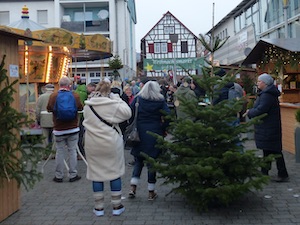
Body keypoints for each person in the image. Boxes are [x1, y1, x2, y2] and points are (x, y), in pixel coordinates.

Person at [83, 78, 132, 216]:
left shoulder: (88, 105)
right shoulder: (112, 105)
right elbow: (127, 113)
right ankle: (117, 206)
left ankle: (99, 208)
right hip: (110, 142)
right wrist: (117, 99)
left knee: (96, 174)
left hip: (92, 143)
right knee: (114, 173)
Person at [128, 81, 170, 201]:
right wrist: (163, 128)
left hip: (139, 134)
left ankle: (132, 187)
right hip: (154, 133)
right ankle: (151, 191)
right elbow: (168, 116)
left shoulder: (137, 100)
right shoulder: (160, 101)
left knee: (138, 161)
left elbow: (130, 115)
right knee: (152, 163)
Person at [244, 73, 289, 182]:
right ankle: (265, 171)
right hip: (268, 127)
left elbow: (261, 110)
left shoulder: (267, 95)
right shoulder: (266, 94)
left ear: (265, 83)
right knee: (268, 150)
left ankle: (282, 173)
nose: (258, 83)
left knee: (275, 151)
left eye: (259, 81)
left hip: (269, 128)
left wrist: (250, 112)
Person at [47, 76, 83, 183]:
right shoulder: (75, 95)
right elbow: (80, 107)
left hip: (58, 128)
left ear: (59, 85)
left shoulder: (53, 96)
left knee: (60, 151)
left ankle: (59, 175)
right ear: (69, 85)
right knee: (72, 151)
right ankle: (73, 174)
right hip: (72, 128)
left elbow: (49, 108)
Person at [75, 82, 96, 157]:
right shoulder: (83, 94)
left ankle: (78, 151)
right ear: (89, 87)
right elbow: (83, 106)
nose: (93, 92)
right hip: (80, 117)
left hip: (75, 116)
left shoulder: (77, 91)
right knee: (80, 135)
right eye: (92, 90)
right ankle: (80, 152)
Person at [36, 84, 54, 148]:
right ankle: (53, 153)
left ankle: (45, 153)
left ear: (46, 89)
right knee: (54, 138)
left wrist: (38, 119)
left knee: (44, 138)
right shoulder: (56, 96)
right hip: (54, 119)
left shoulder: (41, 97)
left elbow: (37, 110)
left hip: (44, 119)